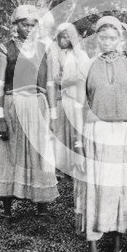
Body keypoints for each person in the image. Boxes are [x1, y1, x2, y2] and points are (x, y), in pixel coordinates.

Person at [76, 15, 127, 252]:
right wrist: (78, 142)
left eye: (112, 37)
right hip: (96, 132)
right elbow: (80, 106)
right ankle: (93, 243)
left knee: (118, 187)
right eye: (102, 37)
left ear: (120, 38)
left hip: (123, 133)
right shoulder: (88, 65)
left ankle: (117, 240)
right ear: (97, 39)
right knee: (95, 186)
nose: (107, 42)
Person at [0, 4, 59, 223]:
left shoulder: (44, 49)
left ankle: (41, 208)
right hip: (12, 105)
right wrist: (0, 117)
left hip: (38, 105)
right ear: (15, 25)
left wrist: (54, 116)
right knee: (10, 154)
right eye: (24, 24)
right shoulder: (5, 49)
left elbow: (50, 83)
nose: (28, 28)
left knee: (40, 154)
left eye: (33, 24)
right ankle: (8, 210)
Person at [47, 23, 89, 182]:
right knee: (62, 134)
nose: (64, 40)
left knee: (77, 131)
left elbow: (85, 76)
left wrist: (73, 80)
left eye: (67, 37)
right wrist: (72, 79)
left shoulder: (81, 55)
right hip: (63, 98)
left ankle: (78, 167)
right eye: (61, 37)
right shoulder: (55, 55)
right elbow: (55, 79)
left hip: (78, 99)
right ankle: (63, 171)